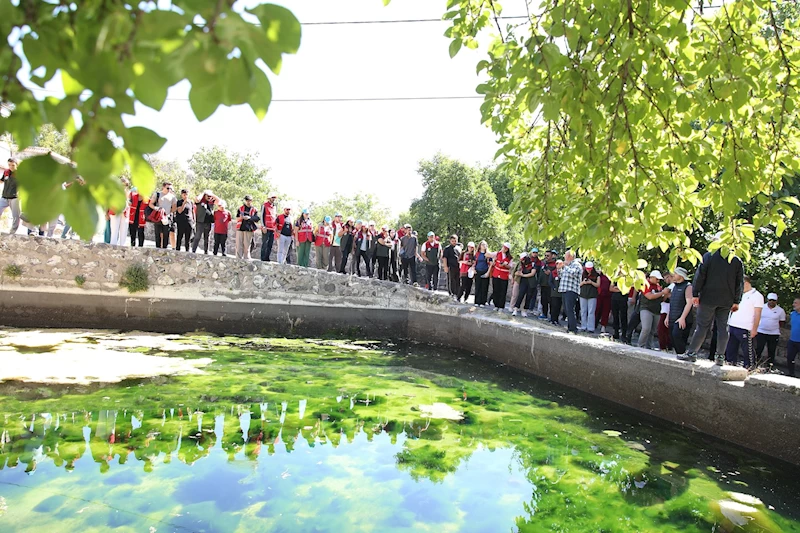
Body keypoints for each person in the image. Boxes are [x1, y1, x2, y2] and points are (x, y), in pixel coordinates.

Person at [679, 248, 744, 365]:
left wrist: (695, 293)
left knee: (702, 326)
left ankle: (692, 353)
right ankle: (720, 357)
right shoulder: (736, 260)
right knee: (723, 328)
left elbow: (700, 275)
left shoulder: (709, 256)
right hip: (727, 300)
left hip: (708, 298)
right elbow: (739, 282)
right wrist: (737, 301)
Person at [724, 275, 764, 368]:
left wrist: (754, 329)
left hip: (746, 327)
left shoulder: (757, 296)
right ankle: (730, 365)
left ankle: (749, 368)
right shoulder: (737, 294)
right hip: (733, 325)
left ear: (745, 283)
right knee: (730, 348)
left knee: (748, 351)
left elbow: (758, 313)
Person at [664, 267, 694, 355]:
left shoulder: (688, 286)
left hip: (682, 318)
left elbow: (689, 303)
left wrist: (682, 318)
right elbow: (672, 302)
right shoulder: (674, 286)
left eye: (675, 273)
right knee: (672, 338)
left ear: (681, 275)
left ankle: (683, 355)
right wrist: (667, 316)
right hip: (672, 317)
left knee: (677, 336)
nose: (673, 275)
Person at [755, 293, 786, 369]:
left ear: (776, 301)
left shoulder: (780, 311)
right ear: (767, 300)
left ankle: (769, 366)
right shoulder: (762, 307)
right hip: (761, 331)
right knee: (758, 349)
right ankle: (755, 363)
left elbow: (782, 322)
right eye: (770, 300)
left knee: (771, 350)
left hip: (773, 333)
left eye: (774, 300)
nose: (772, 302)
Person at [638, 270, 665, 349]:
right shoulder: (646, 285)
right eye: (657, 279)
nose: (658, 281)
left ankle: (649, 346)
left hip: (656, 310)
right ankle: (640, 345)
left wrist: (665, 294)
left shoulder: (658, 287)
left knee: (652, 330)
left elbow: (661, 299)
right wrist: (662, 292)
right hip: (646, 308)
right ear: (652, 277)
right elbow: (649, 296)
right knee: (646, 328)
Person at [559, 251, 583, 333]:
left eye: (565, 256)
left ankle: (573, 328)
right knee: (566, 310)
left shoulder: (576, 265)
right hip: (564, 289)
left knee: (570, 309)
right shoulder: (568, 266)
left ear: (570, 256)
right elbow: (561, 276)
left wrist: (565, 266)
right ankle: (570, 327)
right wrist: (559, 269)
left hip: (571, 290)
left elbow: (573, 274)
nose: (564, 257)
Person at [149, 182, 177, 249]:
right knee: (157, 234)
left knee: (166, 234)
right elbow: (150, 204)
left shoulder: (172, 197)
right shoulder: (157, 194)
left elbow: (174, 207)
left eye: (170, 188)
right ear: (163, 187)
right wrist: (156, 208)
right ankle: (157, 248)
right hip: (158, 216)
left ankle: (164, 249)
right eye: (167, 188)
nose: (169, 189)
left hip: (167, 218)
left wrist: (168, 212)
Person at [192, 190, 217, 254]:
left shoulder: (211, 202)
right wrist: (203, 193)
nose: (209, 197)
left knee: (207, 238)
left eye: (210, 196)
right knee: (197, 236)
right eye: (207, 196)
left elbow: (219, 201)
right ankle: (193, 250)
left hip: (208, 222)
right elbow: (197, 199)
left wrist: (212, 194)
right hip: (200, 221)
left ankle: (206, 251)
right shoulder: (200, 201)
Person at [512, 252, 537, 317]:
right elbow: (516, 272)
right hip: (523, 281)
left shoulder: (533, 264)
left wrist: (523, 275)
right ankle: (516, 308)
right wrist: (518, 273)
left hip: (531, 282)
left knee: (529, 296)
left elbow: (532, 273)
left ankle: (525, 310)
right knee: (520, 294)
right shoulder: (521, 265)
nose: (523, 261)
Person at [235, 195, 260, 260]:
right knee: (239, 244)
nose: (248, 202)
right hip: (240, 228)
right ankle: (238, 258)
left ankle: (246, 258)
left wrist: (249, 218)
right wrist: (241, 217)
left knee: (247, 245)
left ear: (252, 201)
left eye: (250, 200)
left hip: (249, 228)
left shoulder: (254, 209)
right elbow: (237, 218)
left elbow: (257, 219)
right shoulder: (240, 208)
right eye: (247, 200)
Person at [0, 158, 20, 235]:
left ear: (16, 165)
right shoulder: (6, 172)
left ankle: (13, 232)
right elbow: (2, 180)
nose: (11, 167)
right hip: (4, 197)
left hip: (15, 198)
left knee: (15, 216)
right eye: (9, 165)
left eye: (13, 165)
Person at [579, 261, 600, 333]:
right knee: (583, 311)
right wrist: (584, 282)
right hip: (583, 294)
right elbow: (579, 284)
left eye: (590, 269)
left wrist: (591, 282)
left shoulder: (597, 275)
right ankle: (583, 326)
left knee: (591, 312)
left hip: (592, 295)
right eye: (587, 269)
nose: (588, 270)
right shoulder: (582, 274)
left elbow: (598, 285)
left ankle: (590, 328)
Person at [490, 243, 512, 311]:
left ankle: (501, 306)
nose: (504, 249)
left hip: (504, 275)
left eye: (505, 248)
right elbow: (489, 255)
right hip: (496, 274)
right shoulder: (497, 254)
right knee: (496, 290)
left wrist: (505, 265)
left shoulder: (510, 257)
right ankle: (496, 305)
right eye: (503, 247)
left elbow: (510, 266)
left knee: (503, 291)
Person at [108, 178, 130, 246]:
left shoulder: (127, 192)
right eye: (123, 185)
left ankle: (122, 247)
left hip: (124, 213)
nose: (125, 186)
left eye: (126, 185)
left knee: (124, 231)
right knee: (114, 231)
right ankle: (113, 247)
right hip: (115, 212)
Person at [658, 272, 674, 351]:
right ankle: (667, 347)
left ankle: (664, 347)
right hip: (666, 309)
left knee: (662, 329)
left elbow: (664, 297)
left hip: (666, 309)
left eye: (665, 279)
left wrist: (665, 294)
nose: (665, 281)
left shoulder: (671, 286)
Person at [538, 250, 556, 319]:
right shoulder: (543, 263)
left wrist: (550, 273)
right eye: (545, 255)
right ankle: (544, 314)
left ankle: (552, 315)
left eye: (548, 256)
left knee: (551, 301)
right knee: (543, 300)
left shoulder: (554, 264)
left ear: (551, 256)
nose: (546, 257)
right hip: (543, 284)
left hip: (550, 285)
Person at [260, 193, 278, 261]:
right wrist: (263, 226)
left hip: (272, 228)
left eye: (274, 198)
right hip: (266, 228)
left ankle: (267, 258)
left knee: (270, 244)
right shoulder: (264, 205)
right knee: (265, 243)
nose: (274, 199)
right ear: (269, 198)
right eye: (272, 197)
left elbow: (275, 217)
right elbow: (261, 216)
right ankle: (263, 258)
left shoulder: (275, 207)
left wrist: (275, 227)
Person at [594, 267, 612, 334]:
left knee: (606, 311)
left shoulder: (611, 277)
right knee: (597, 309)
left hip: (608, 296)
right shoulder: (599, 275)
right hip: (599, 295)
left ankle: (603, 326)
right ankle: (594, 324)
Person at [473, 241, 491, 306]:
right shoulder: (477, 254)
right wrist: (473, 269)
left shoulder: (488, 254)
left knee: (484, 287)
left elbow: (491, 264)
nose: (483, 246)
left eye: (485, 244)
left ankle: (483, 302)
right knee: (478, 287)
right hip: (478, 271)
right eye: (482, 244)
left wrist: (488, 273)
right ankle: (477, 301)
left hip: (485, 271)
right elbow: (474, 262)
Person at [787, 297, 800, 377]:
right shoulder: (792, 314)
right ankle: (791, 374)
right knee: (790, 358)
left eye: (795, 303)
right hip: (792, 340)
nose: (793, 304)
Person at [550, 259, 564, 325]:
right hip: (554, 292)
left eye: (560, 264)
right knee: (554, 305)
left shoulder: (564, 272)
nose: (558, 265)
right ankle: (552, 319)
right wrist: (553, 287)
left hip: (561, 292)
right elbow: (550, 281)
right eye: (557, 264)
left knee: (559, 306)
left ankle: (556, 319)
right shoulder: (553, 272)